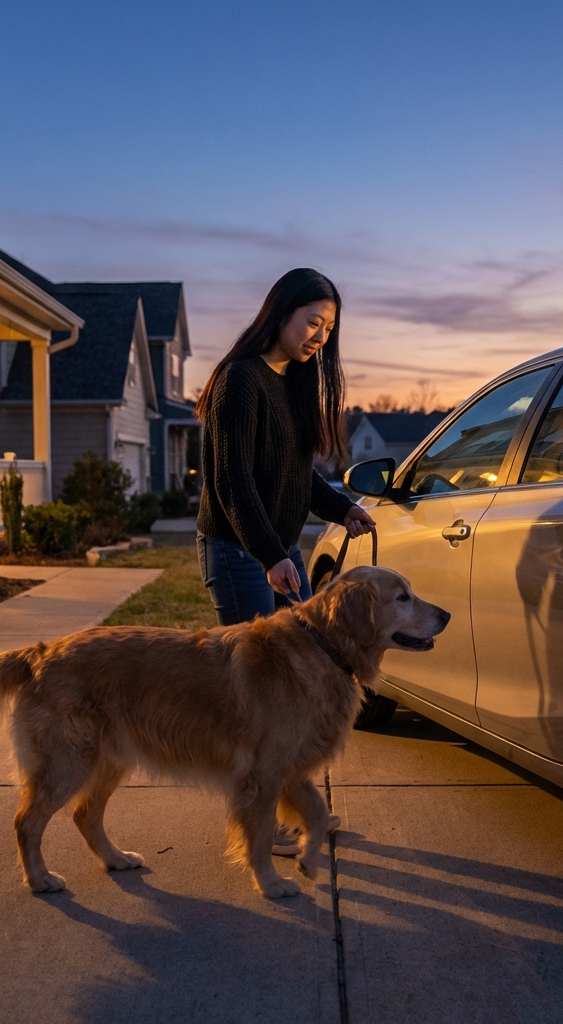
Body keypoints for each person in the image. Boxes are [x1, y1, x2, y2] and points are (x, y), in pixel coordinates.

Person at [194, 268, 376, 854]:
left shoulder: (291, 383)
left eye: (329, 327)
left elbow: (299, 476)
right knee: (254, 700)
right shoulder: (239, 380)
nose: (319, 336)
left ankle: (290, 810)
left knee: (287, 697)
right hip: (238, 549)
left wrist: (342, 506)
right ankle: (257, 823)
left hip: (275, 551)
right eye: (313, 322)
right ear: (280, 314)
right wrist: (270, 554)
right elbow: (232, 482)